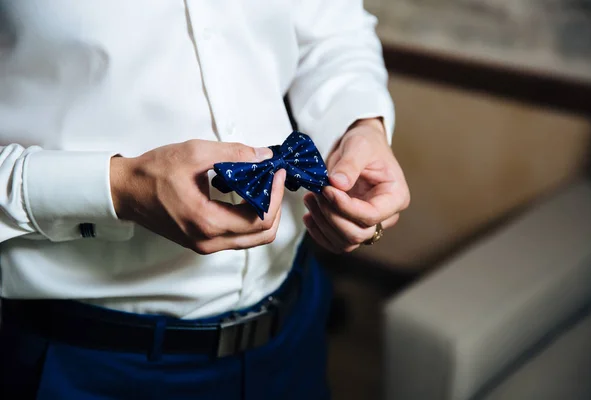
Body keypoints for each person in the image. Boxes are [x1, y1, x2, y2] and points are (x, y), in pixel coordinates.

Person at [0, 1, 410, 399]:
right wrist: (120, 187)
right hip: (79, 360)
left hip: (293, 325)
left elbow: (332, 33)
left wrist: (362, 126)